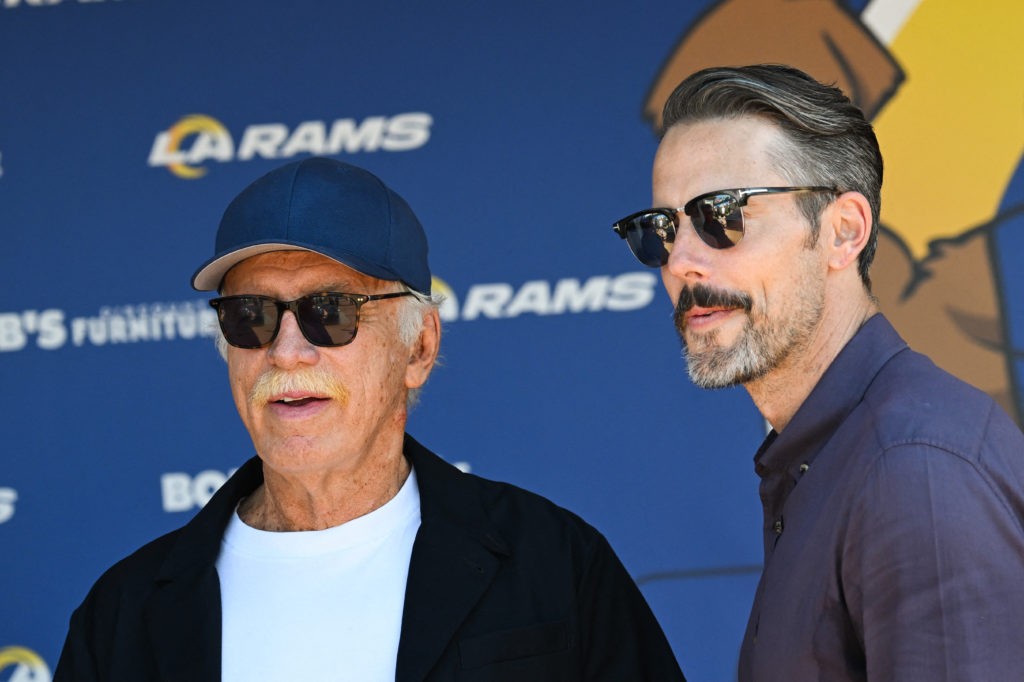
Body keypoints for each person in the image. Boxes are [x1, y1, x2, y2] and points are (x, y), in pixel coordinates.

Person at [55, 157, 685, 681]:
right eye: (251, 315)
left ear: (419, 347)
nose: (286, 351)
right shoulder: (126, 615)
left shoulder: (554, 564)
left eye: (331, 311)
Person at [612, 64, 1024, 680]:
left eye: (721, 215)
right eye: (661, 229)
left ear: (843, 232)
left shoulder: (913, 469)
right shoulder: (833, 454)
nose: (681, 262)